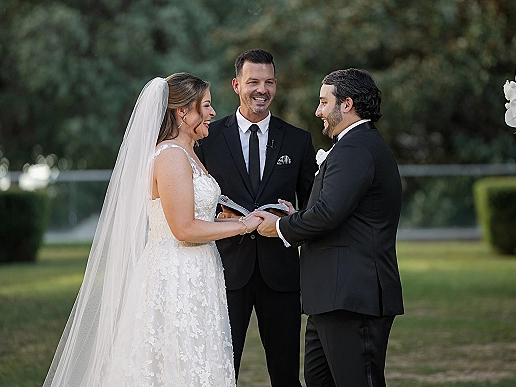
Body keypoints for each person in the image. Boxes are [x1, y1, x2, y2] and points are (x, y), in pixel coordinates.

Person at [43, 73, 263, 386]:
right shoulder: (171, 156)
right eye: (207, 106)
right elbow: (183, 229)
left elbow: (190, 216)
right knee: (176, 360)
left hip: (199, 269)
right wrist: (242, 226)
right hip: (176, 273)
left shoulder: (189, 153)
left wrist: (225, 220)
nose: (214, 113)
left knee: (201, 355)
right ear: (183, 111)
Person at [256, 68, 404, 387]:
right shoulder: (353, 145)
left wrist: (281, 227)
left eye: (324, 102)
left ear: (347, 104)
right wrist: (299, 214)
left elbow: (329, 213)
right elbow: (337, 212)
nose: (318, 111)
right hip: (331, 296)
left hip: (352, 295)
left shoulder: (356, 148)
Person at [195, 49, 317, 386]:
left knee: (285, 372)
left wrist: (295, 221)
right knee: (220, 368)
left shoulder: (298, 140)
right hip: (224, 271)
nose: (261, 90)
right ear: (237, 85)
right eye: (253, 82)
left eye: (268, 82)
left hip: (280, 274)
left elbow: (312, 207)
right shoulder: (207, 138)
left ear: (275, 85)